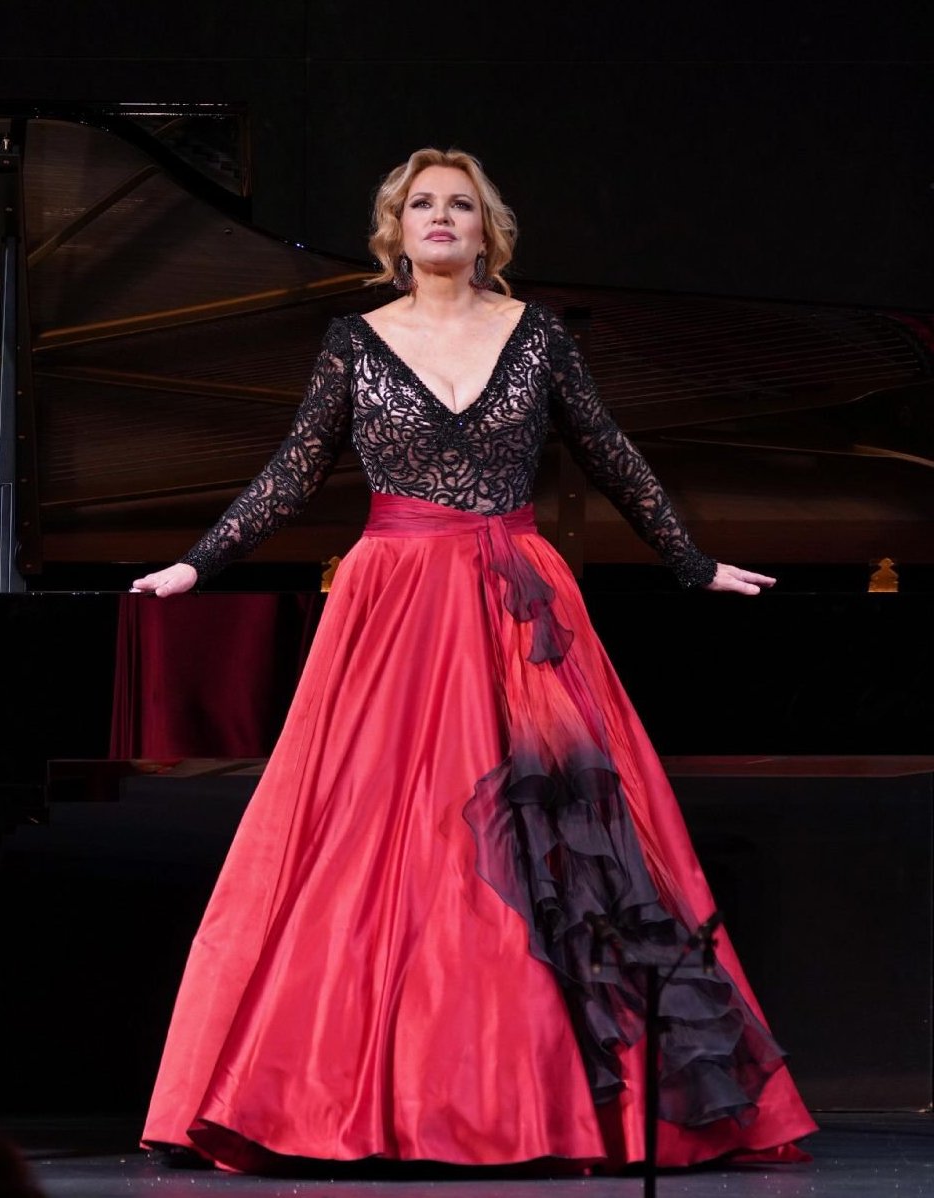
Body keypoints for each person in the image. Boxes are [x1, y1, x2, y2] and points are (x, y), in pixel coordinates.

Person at [134, 147, 816, 1173]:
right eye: (422, 204)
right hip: (393, 603)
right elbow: (292, 471)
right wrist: (197, 563)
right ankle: (349, 1097)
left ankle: (550, 1100)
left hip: (514, 602)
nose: (441, 216)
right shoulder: (354, 340)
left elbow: (609, 450)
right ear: (396, 229)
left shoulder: (536, 334)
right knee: (368, 831)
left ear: (487, 230)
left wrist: (690, 560)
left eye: (460, 203)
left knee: (552, 834)